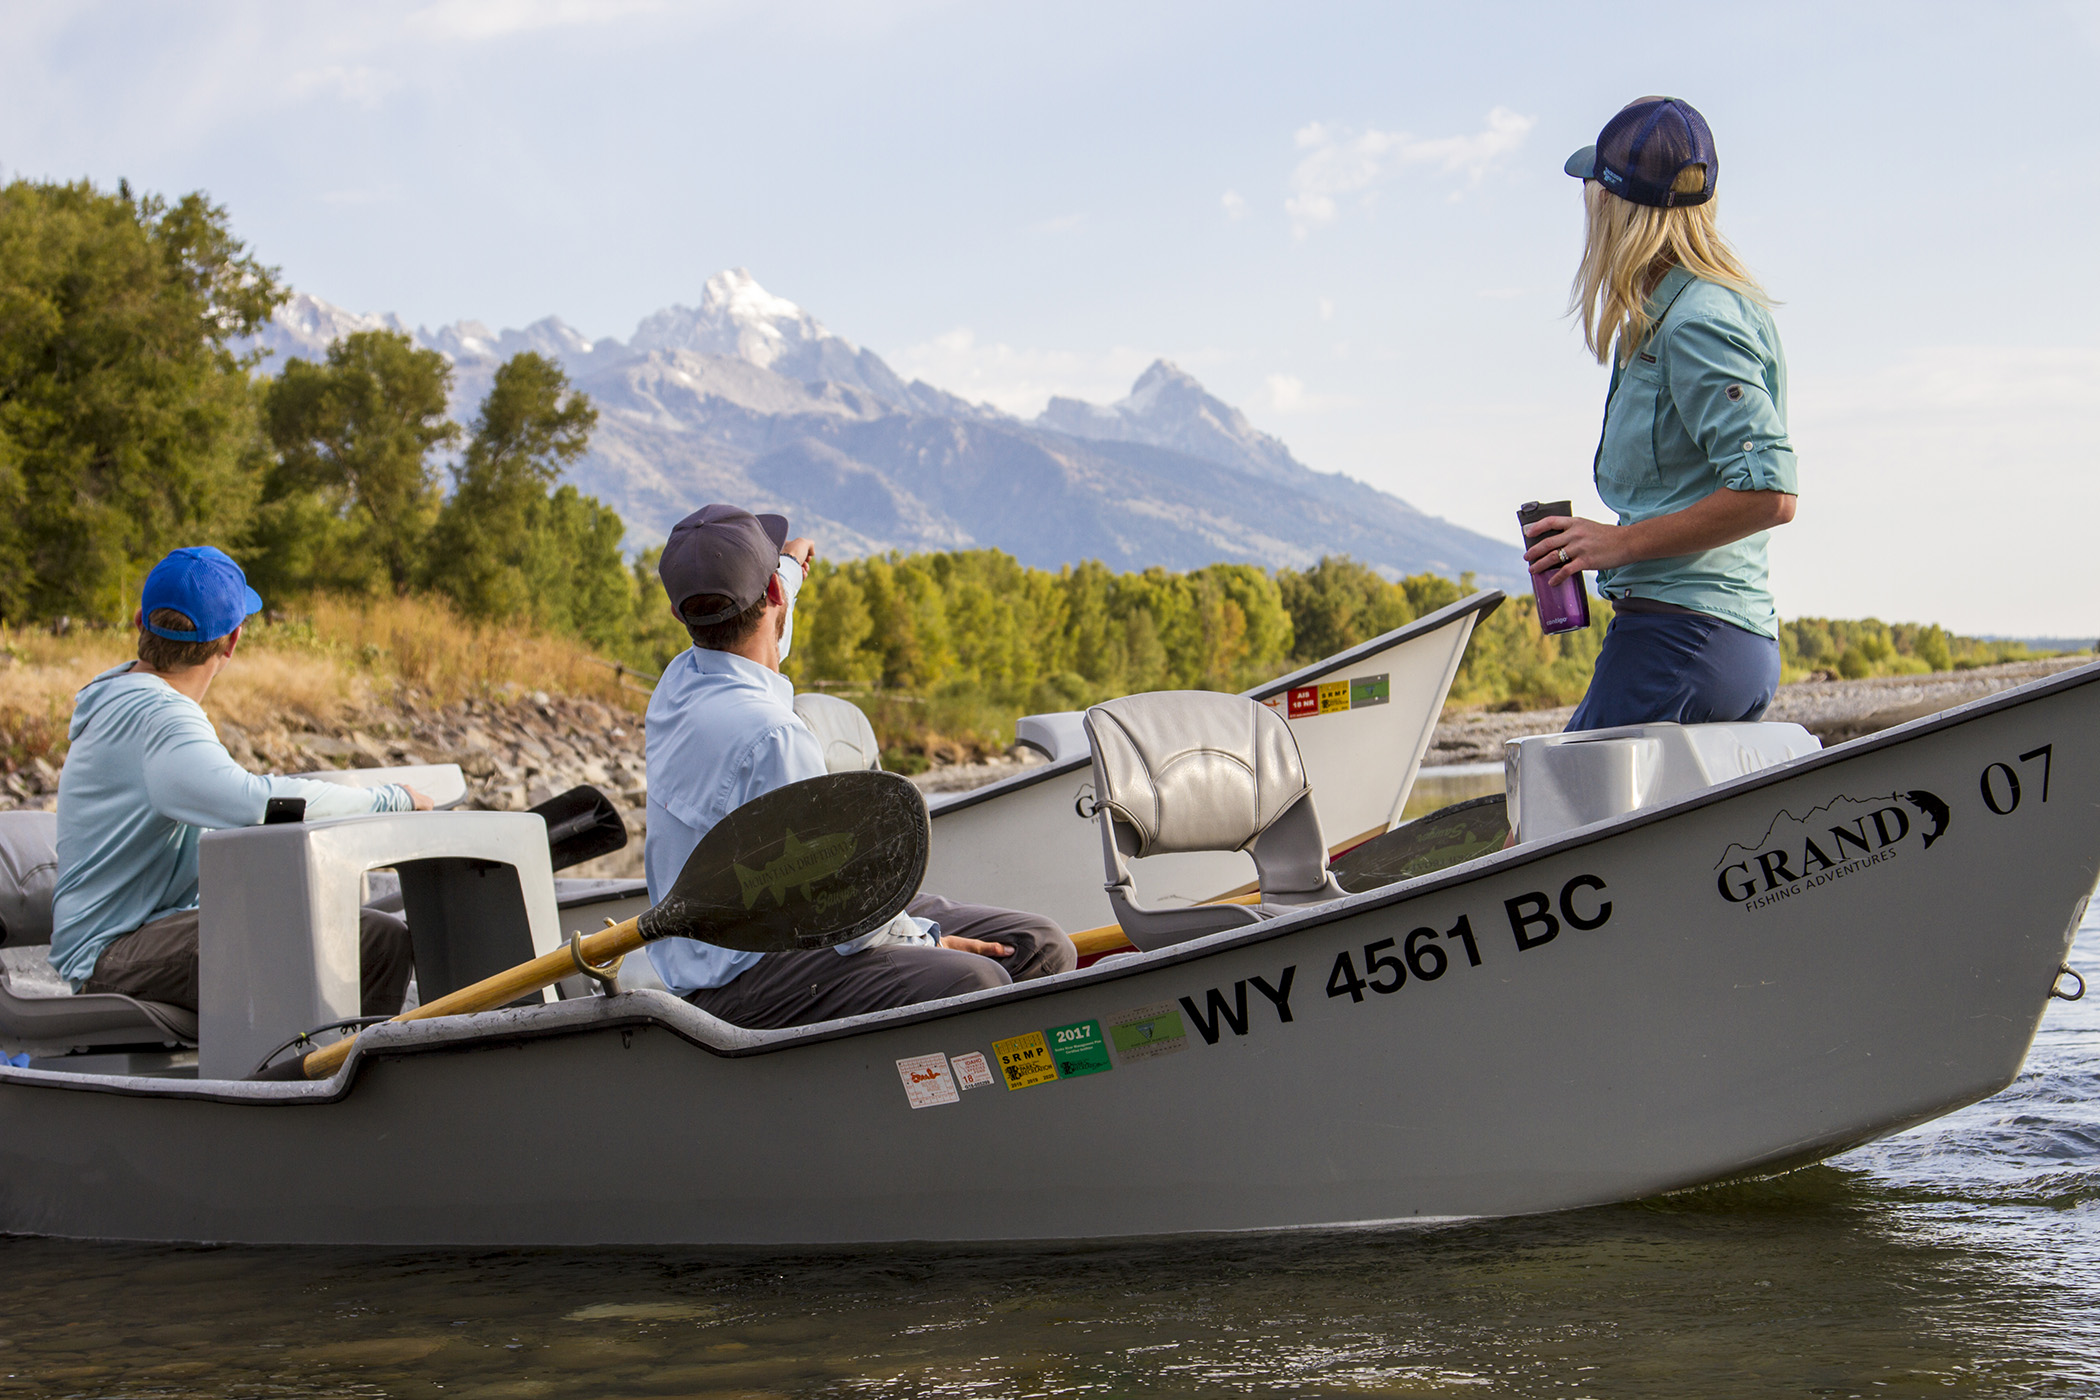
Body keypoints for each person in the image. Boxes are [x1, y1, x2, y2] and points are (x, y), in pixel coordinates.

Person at [644, 504, 1075, 1028]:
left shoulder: (678, 683)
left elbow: (762, 623)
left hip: (782, 929)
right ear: (771, 596)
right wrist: (930, 942)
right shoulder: (776, 738)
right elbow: (845, 913)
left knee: (1039, 944)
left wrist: (790, 564)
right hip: (745, 975)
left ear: (681, 616)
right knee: (978, 978)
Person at [50, 547, 433, 1014]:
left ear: (139, 623)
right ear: (231, 642)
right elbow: (253, 801)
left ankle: (311, 1050)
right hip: (113, 955)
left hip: (127, 940)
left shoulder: (118, 696)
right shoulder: (160, 718)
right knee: (374, 940)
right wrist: (392, 800)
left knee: (336, 926)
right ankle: (341, 1060)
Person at [1525, 96, 1799, 732]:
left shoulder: (1696, 322)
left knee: (1552, 800)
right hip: (1710, 641)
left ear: (1616, 209)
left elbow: (1770, 493)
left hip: (1680, 641)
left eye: (1594, 191)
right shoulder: (1686, 311)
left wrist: (1617, 544)